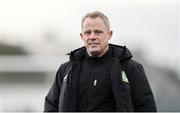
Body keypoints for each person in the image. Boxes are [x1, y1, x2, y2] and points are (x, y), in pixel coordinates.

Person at [44, 11, 157, 112]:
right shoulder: (66, 70)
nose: (92, 37)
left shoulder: (130, 68)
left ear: (109, 35)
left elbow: (146, 107)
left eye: (98, 32)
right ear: (82, 36)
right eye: (88, 32)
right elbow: (51, 106)